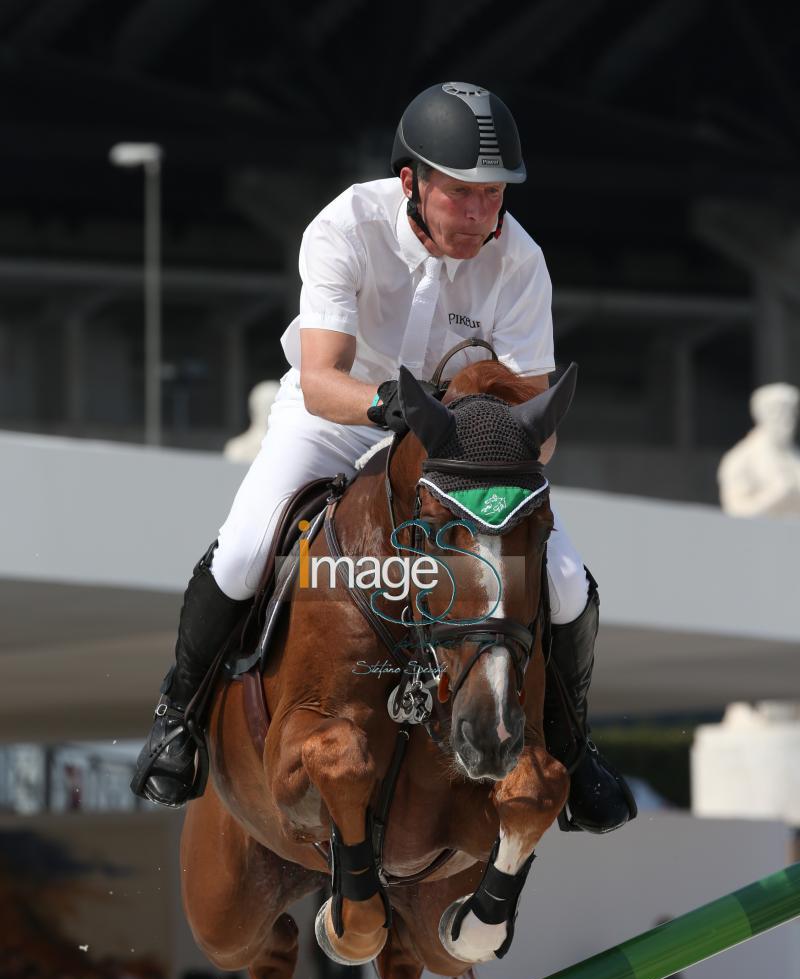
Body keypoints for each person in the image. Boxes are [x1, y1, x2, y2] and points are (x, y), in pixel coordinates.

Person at [132, 81, 635, 836]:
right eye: (460, 195)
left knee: (563, 581)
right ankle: (178, 720)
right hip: (335, 420)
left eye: (492, 196)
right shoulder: (344, 226)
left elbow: (539, 420)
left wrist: (499, 440)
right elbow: (323, 376)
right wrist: (387, 407)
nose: (479, 216)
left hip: (459, 448)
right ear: (411, 182)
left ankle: (573, 743)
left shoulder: (521, 260)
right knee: (242, 551)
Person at [718, 382, 800, 517]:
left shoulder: (795, 457)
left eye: (790, 413)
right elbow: (735, 512)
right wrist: (775, 496)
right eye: (777, 412)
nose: (786, 420)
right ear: (761, 415)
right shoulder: (741, 458)